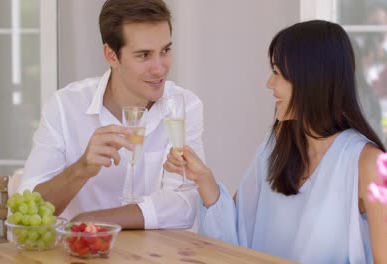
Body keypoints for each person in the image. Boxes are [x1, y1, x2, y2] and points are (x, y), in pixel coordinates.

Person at [164, 20, 387, 263]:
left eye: (277, 74)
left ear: (310, 80)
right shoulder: (276, 146)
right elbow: (233, 236)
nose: (269, 84)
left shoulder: (368, 165)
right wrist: (202, 178)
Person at [18, 0, 204, 230]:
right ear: (111, 55)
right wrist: (81, 170)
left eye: (165, 51)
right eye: (144, 55)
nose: (159, 68)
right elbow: (26, 209)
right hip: (82, 255)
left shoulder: (185, 106)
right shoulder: (65, 106)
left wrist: (89, 222)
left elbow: (184, 205)